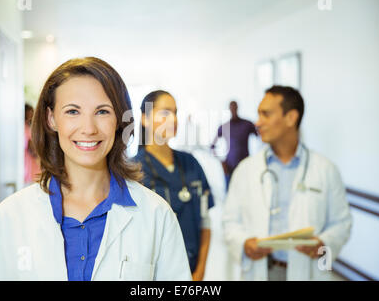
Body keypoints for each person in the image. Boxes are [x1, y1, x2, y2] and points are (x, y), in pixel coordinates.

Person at [0, 57, 191, 281]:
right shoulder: (9, 218)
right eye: (72, 111)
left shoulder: (156, 215)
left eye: (102, 112)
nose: (88, 129)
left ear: (120, 119)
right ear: (51, 118)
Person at [222, 86, 352, 281]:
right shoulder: (246, 169)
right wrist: (244, 242)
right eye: (258, 114)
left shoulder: (325, 170)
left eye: (266, 114)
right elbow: (230, 221)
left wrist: (323, 243)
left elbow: (342, 223)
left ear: (291, 118)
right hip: (260, 271)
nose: (258, 122)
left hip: (307, 271)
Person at [133, 90, 215, 281]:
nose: (174, 119)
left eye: (175, 112)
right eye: (165, 112)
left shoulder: (191, 164)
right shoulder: (133, 170)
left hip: (193, 271)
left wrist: (201, 270)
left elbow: (205, 222)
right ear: (145, 119)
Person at [210, 101, 257, 188]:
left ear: (237, 108)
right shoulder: (225, 126)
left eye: (235, 107)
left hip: (245, 165)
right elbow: (212, 146)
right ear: (229, 109)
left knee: (247, 193)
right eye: (231, 108)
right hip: (229, 167)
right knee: (230, 195)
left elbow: (261, 139)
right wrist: (222, 162)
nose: (233, 110)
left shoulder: (247, 124)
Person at [24, 103, 41, 185]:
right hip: (30, 172)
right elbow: (34, 150)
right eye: (30, 111)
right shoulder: (28, 130)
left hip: (30, 171)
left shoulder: (28, 129)